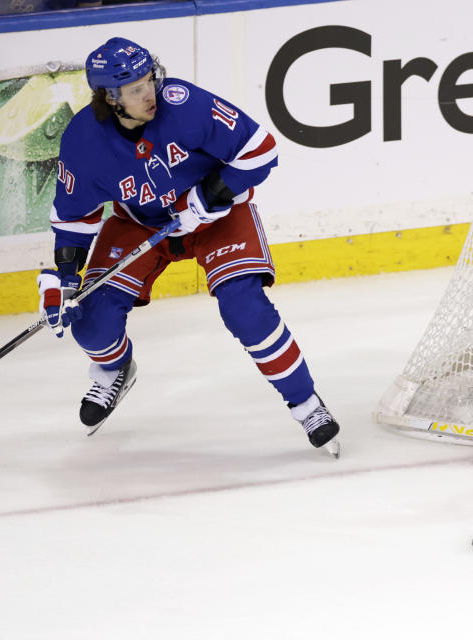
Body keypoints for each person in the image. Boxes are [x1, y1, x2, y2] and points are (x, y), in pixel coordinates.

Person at [37, 37, 340, 454]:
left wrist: (212, 194)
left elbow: (260, 151)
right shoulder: (83, 141)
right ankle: (114, 370)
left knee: (243, 307)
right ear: (111, 98)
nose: (151, 93)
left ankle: (307, 404)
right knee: (90, 323)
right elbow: (74, 218)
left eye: (150, 79)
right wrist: (65, 278)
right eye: (137, 88)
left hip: (216, 217)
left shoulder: (184, 104)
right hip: (140, 225)